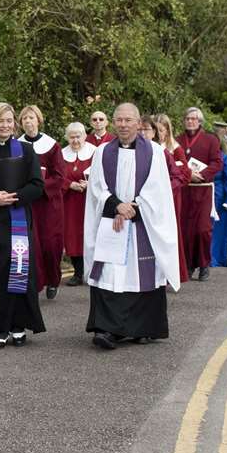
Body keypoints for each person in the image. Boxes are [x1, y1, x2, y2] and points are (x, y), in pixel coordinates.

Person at [84, 103, 181, 349]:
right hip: (112, 222)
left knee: (142, 274)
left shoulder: (156, 152)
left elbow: (157, 188)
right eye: (119, 120)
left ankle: (142, 329)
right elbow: (97, 187)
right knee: (109, 273)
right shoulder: (103, 151)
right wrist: (117, 205)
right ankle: (107, 330)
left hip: (142, 224)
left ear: (139, 123)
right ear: (113, 123)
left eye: (129, 120)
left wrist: (133, 208)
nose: (123, 125)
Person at [0, 103, 47, 347]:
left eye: (10, 121)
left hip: (18, 217)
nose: (6, 125)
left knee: (19, 270)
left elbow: (37, 185)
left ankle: (18, 324)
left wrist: (13, 197)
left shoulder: (27, 151)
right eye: (1, 121)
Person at [18, 105, 65, 301]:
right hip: (27, 202)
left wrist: (39, 186)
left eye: (31, 118)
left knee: (49, 245)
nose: (28, 121)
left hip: (48, 204)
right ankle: (35, 284)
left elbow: (59, 176)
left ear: (39, 120)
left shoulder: (52, 146)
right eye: (25, 119)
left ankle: (53, 280)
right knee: (30, 245)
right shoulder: (16, 145)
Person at [176, 107, 225, 281]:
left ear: (200, 121)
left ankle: (204, 264)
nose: (190, 121)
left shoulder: (210, 140)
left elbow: (217, 162)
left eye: (194, 119)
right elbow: (173, 162)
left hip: (203, 188)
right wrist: (188, 174)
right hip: (184, 189)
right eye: (187, 118)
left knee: (203, 229)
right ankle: (188, 265)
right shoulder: (178, 140)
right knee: (185, 230)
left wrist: (202, 175)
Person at [152, 113, 190, 285]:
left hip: (171, 196)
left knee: (169, 233)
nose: (159, 133)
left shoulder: (175, 148)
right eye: (156, 130)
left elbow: (184, 174)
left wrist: (166, 187)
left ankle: (172, 273)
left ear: (167, 131)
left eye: (161, 130)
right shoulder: (149, 147)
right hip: (152, 196)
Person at [59, 122, 96, 286]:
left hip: (90, 201)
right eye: (72, 137)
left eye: (78, 136)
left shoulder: (95, 152)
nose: (75, 140)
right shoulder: (61, 154)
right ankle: (78, 272)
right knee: (73, 235)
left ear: (84, 136)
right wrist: (70, 185)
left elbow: (103, 173)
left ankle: (95, 272)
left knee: (91, 233)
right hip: (70, 202)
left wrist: (91, 184)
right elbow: (57, 177)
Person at [210, 126, 227, 267]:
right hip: (204, 194)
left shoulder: (224, 157)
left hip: (219, 197)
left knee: (218, 229)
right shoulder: (202, 156)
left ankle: (215, 257)